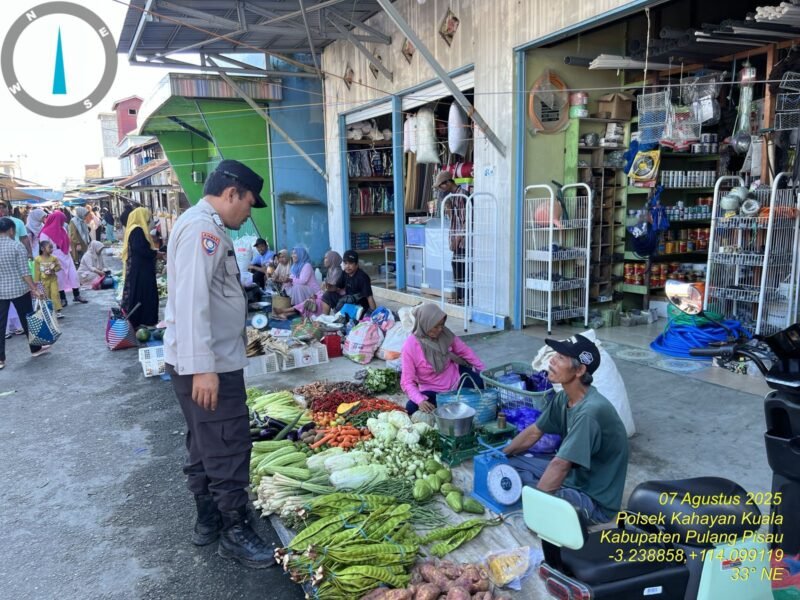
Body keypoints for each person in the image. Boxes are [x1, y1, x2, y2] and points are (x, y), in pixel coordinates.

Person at [163, 159, 276, 568]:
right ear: (232, 193)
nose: (248, 216)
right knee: (228, 442)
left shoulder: (198, 224)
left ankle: (207, 520)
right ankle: (234, 531)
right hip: (209, 364)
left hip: (201, 360)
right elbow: (192, 301)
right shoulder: (204, 230)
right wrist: (203, 368)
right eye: (248, 205)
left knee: (204, 441)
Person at [502, 334, 629, 523]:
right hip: (574, 478)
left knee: (523, 489)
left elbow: (560, 465)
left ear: (580, 370)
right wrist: (501, 454)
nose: (551, 360)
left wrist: (536, 510)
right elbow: (535, 431)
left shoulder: (590, 412)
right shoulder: (564, 398)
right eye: (555, 355)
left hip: (593, 500)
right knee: (507, 466)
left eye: (561, 358)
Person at [401, 303, 485, 415]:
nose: (440, 329)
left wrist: (482, 370)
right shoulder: (410, 347)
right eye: (436, 326)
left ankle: (454, 403)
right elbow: (407, 382)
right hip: (432, 390)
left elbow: (465, 351)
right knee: (411, 407)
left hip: (456, 379)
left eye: (442, 325)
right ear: (425, 323)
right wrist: (420, 400)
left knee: (479, 383)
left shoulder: (445, 334)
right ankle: (451, 404)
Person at [0, 217, 49, 369]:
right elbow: (24, 272)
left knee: (0, 324)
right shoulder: (17, 246)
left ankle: (0, 359)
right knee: (27, 318)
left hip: (0, 291)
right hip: (18, 289)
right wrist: (34, 289)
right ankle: (35, 349)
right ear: (11, 230)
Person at [121, 208, 159, 328]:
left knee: (140, 293)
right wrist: (155, 254)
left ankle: (142, 319)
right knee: (144, 293)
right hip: (141, 269)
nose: (149, 220)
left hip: (139, 267)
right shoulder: (137, 230)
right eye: (147, 217)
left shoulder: (133, 228)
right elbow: (141, 249)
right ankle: (145, 319)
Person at [39, 211, 87, 306]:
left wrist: (69, 253)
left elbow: (66, 242)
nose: (62, 222)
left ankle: (76, 295)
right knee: (59, 278)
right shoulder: (45, 233)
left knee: (73, 275)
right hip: (54, 256)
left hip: (66, 255)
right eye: (61, 220)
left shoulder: (62, 229)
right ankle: (63, 298)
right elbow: (44, 247)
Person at [434, 171, 467, 303]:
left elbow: (466, 220)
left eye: (441, 186)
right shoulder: (452, 197)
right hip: (456, 237)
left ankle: (463, 297)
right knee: (456, 265)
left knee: (462, 267)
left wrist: (457, 239)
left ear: (448, 182)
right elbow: (453, 219)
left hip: (463, 240)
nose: (440, 189)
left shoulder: (462, 196)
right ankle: (459, 297)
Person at [321, 250, 376, 315]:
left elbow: (369, 297)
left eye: (350, 263)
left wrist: (374, 314)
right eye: (345, 263)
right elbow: (337, 287)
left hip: (359, 307)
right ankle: (324, 318)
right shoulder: (345, 273)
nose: (347, 266)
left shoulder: (362, 277)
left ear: (356, 265)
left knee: (348, 301)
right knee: (327, 295)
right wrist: (329, 287)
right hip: (348, 302)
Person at [33, 240, 63, 318]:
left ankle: (58, 311)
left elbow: (59, 267)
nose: (52, 249)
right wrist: (36, 282)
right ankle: (49, 311)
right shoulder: (37, 259)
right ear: (42, 249)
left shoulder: (54, 258)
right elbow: (37, 271)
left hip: (53, 279)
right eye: (50, 248)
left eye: (52, 248)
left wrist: (53, 269)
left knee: (55, 294)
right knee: (47, 295)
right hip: (43, 281)